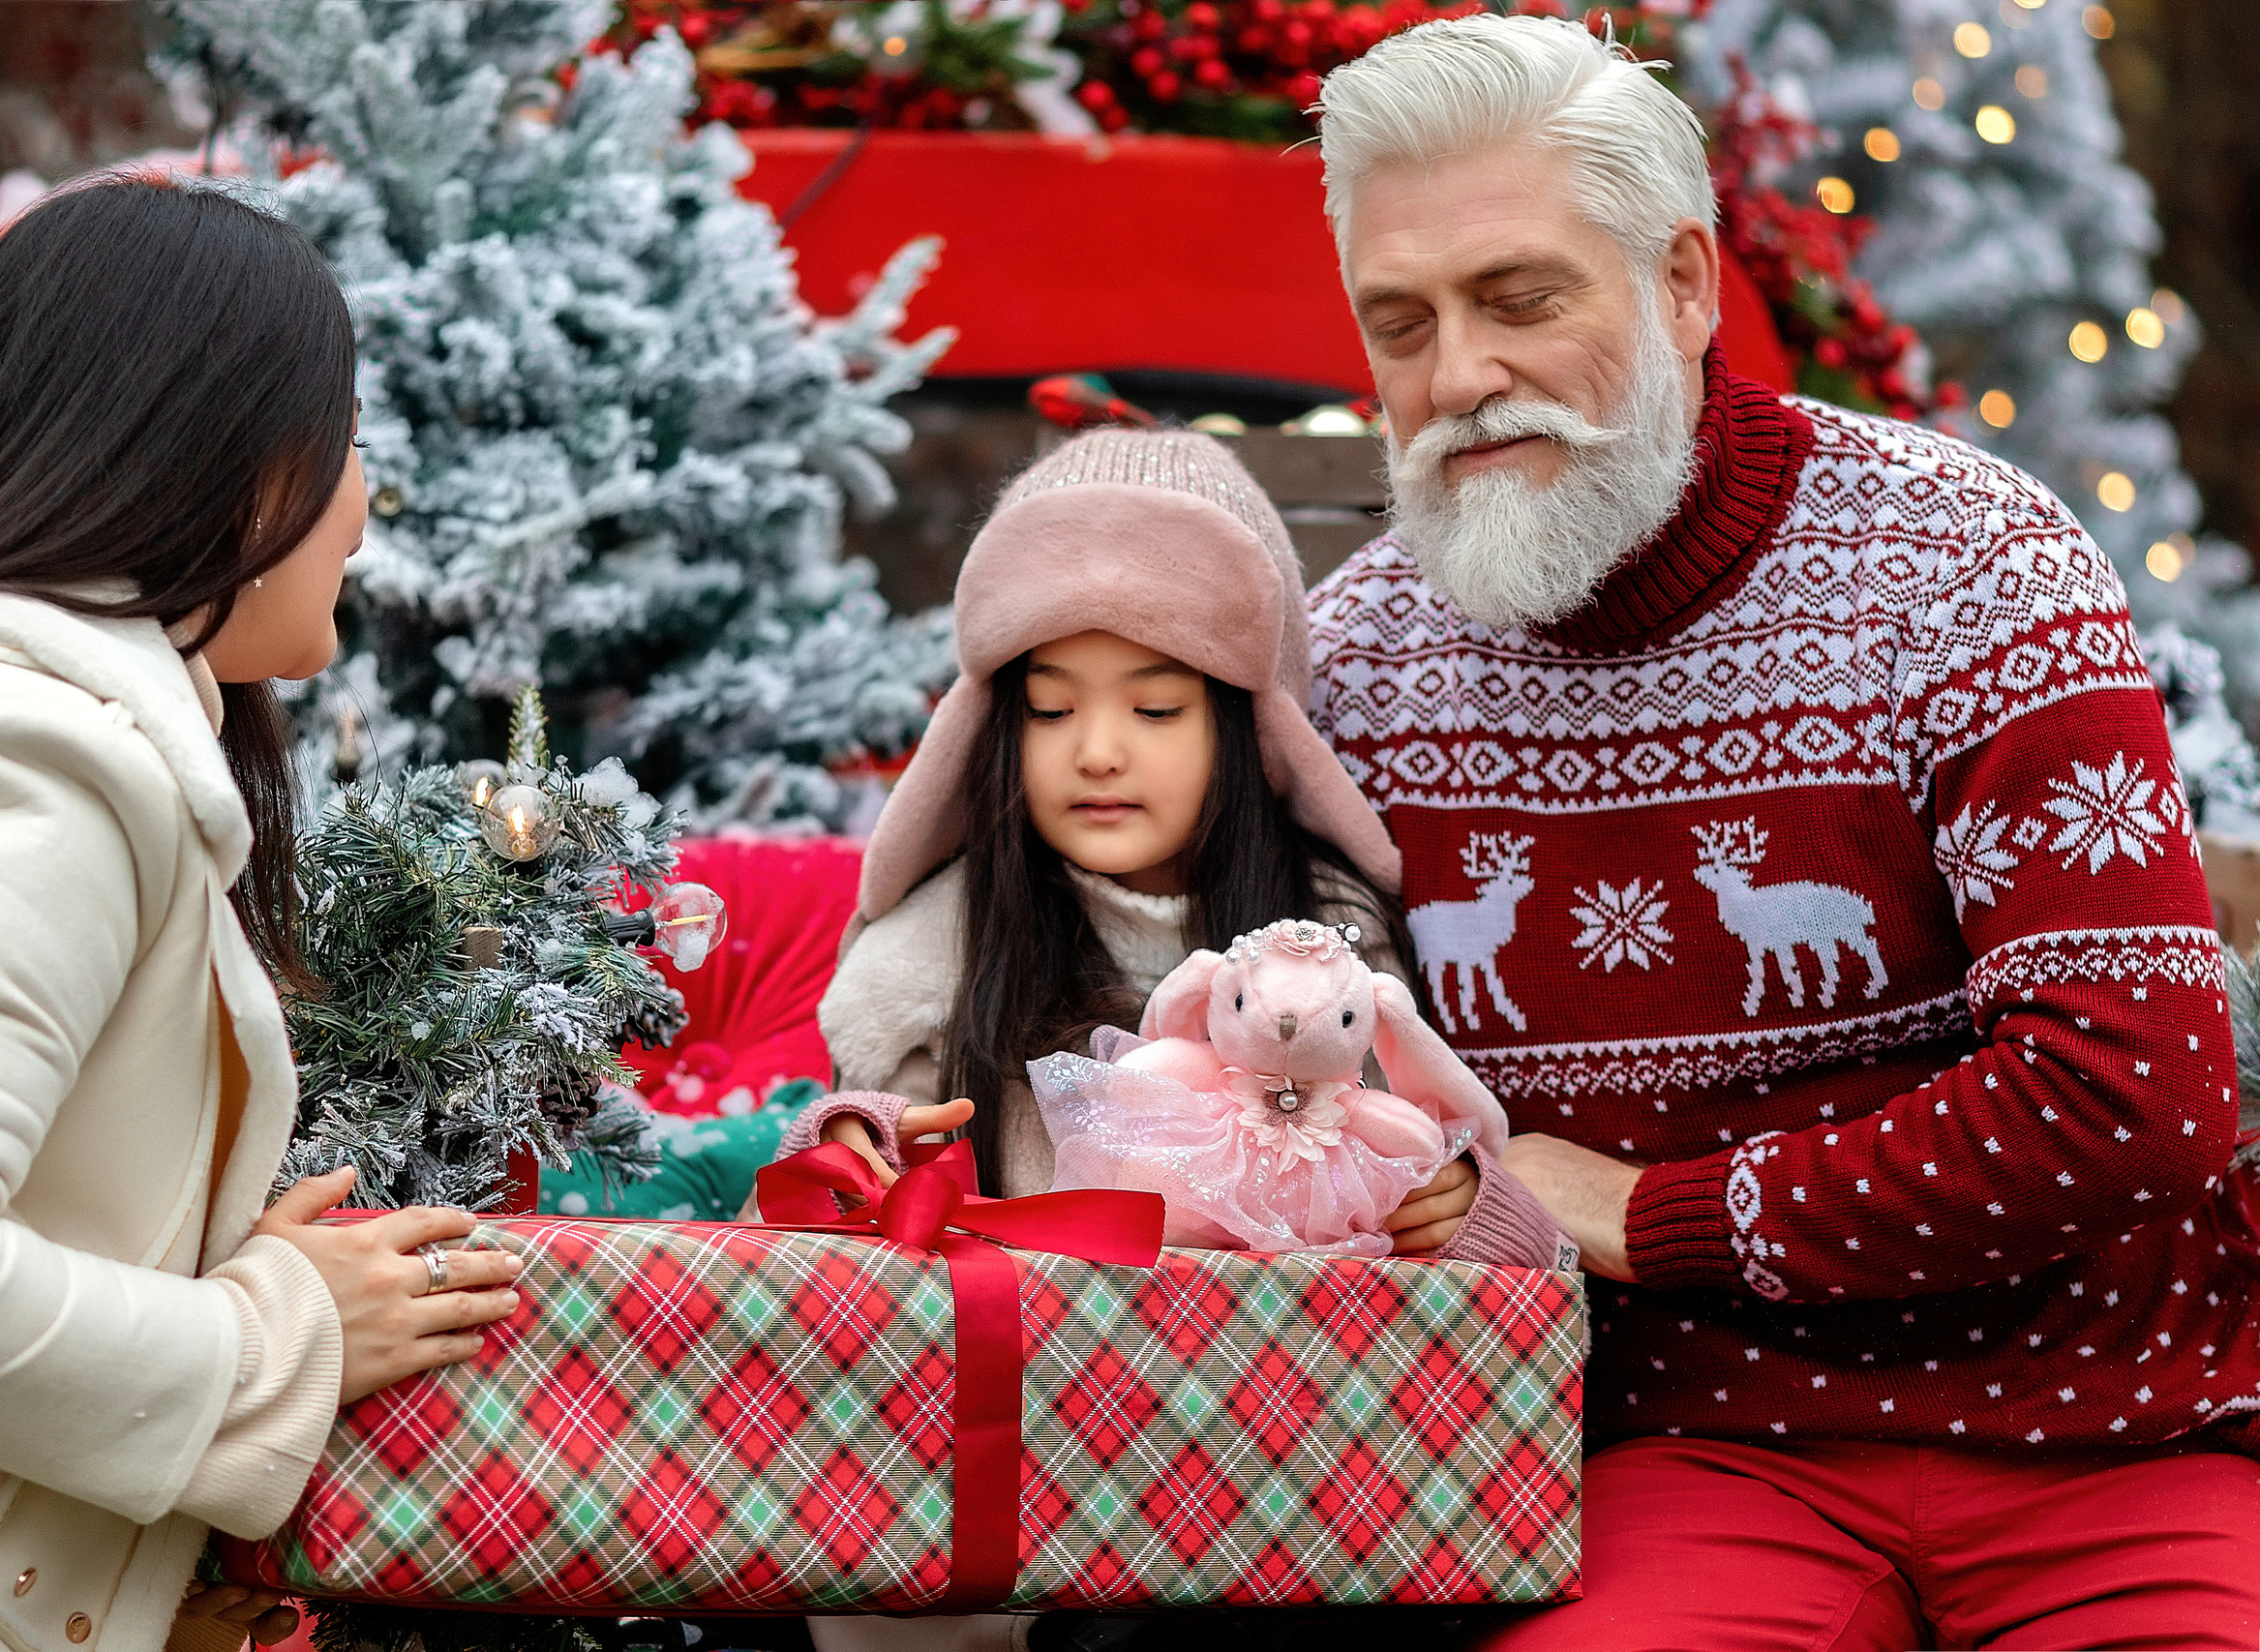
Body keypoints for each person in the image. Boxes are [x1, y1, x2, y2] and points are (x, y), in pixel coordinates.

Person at [1305, 15, 2260, 1645]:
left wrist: (1647, 1211)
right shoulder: (1351, 666)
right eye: (1403, 323)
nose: (1458, 378)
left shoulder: (1970, 572)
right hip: (1690, 1451)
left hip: (2116, 1432)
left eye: (1521, 300)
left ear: (1683, 284)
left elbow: (2139, 1090)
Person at [0, 176, 525, 1652]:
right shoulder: (27, 762)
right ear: (237, 457)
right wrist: (279, 1334)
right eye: (347, 437)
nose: (361, 509)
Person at [776, 429, 1570, 1652]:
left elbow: (1438, 1199)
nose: (1097, 749)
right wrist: (864, 1149)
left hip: (1282, 1484)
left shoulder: (1325, 944)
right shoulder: (940, 948)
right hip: (1012, 1489)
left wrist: (1461, 1211)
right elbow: (829, 1233)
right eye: (1050, 708)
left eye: (1154, 705)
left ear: (1247, 729)